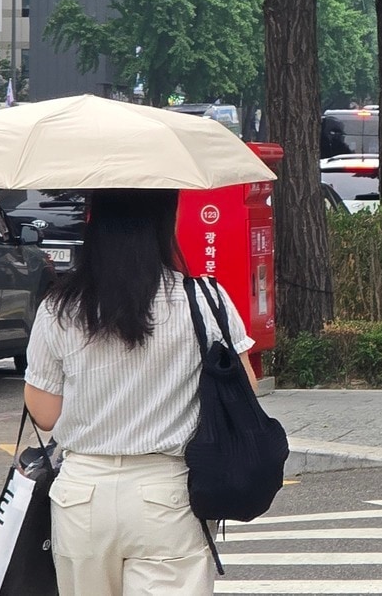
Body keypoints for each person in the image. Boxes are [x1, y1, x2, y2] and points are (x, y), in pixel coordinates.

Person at [23, 189, 258, 596]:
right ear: (165, 223)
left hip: (82, 495)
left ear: (94, 222)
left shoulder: (59, 308)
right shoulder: (202, 299)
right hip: (165, 493)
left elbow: (44, 414)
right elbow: (246, 391)